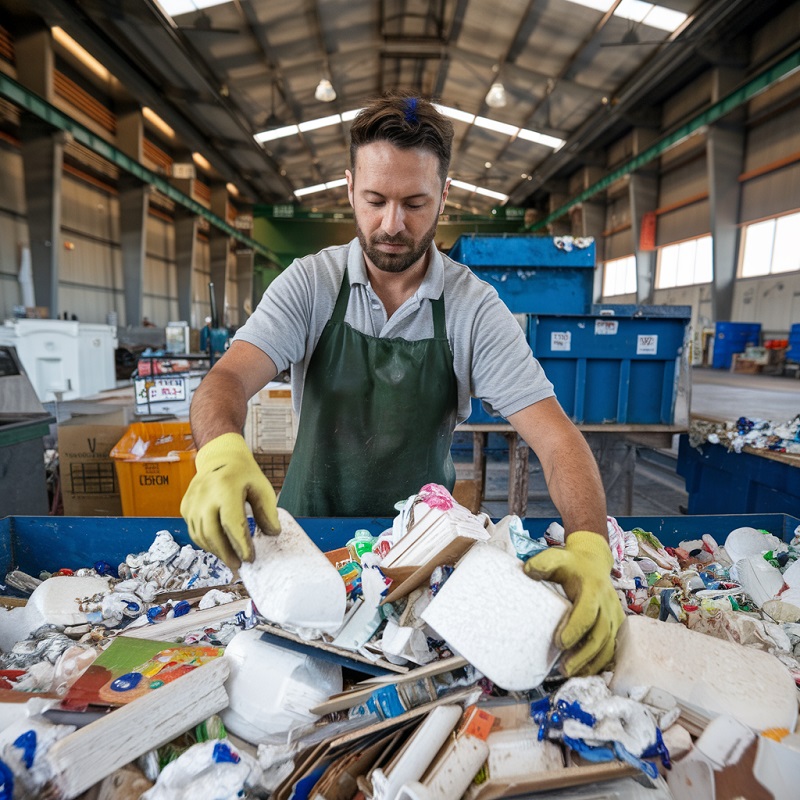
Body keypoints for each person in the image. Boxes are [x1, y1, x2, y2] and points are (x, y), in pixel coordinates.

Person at [180, 91, 623, 677]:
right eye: (375, 200)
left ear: (444, 195)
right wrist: (219, 453)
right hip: (310, 546)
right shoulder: (310, 285)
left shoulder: (473, 309)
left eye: (415, 203)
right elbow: (229, 377)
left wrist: (590, 547)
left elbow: (556, 439)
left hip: (423, 560)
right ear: (349, 188)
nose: (393, 225)